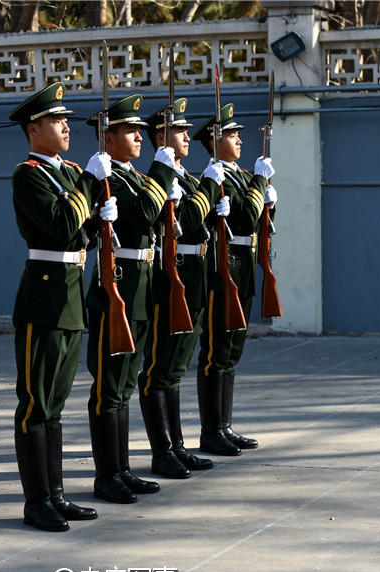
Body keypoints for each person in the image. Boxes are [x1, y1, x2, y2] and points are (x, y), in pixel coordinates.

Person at [7, 82, 116, 532]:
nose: (67, 126)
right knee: (35, 403)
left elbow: (80, 231)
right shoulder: (27, 174)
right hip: (44, 297)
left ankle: (56, 494)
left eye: (66, 119)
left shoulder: (70, 170)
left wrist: (100, 216)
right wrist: (89, 184)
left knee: (56, 402)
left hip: (72, 294)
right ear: (34, 129)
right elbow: (59, 223)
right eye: (56, 120)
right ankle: (36, 502)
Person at [84, 94, 177, 503]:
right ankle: (106, 475)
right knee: (109, 385)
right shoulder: (110, 178)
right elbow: (143, 215)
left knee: (124, 385)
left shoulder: (131, 176)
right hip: (116, 285)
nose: (140, 137)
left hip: (140, 286)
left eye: (141, 131)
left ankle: (121, 469)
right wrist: (162, 165)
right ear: (109, 135)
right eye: (130, 131)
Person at [136, 98, 228, 477]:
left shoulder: (183, 178)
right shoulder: (156, 180)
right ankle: (162, 451)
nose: (189, 136)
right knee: (159, 368)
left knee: (176, 368)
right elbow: (189, 219)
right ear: (162, 137)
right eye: (180, 131)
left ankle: (177, 445)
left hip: (195, 275)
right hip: (170, 278)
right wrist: (209, 187)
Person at [191, 102, 277, 456]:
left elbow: (258, 221)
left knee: (232, 351)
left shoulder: (238, 175)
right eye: (232, 134)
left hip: (243, 266)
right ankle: (211, 431)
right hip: (221, 269)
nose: (239, 139)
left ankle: (225, 425)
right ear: (214, 141)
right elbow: (242, 218)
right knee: (216, 351)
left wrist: (270, 201)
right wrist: (260, 182)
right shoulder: (213, 178)